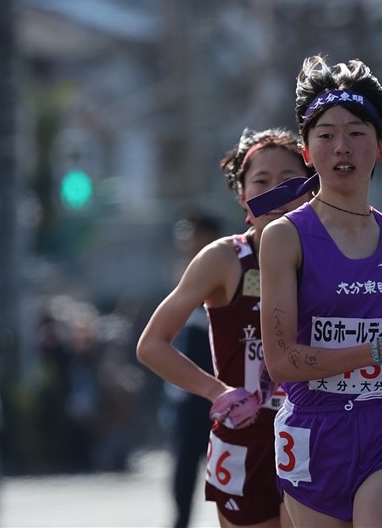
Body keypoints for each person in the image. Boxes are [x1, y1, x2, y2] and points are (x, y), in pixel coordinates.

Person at [250, 55, 382, 528]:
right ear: (307, 151)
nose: (341, 146)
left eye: (357, 133)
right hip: (313, 430)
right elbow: (281, 361)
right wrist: (378, 349)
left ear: (381, 147)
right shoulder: (285, 237)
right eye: (325, 135)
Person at [136, 128, 314, 528]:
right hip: (244, 437)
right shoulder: (224, 259)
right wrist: (217, 393)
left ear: (309, 189)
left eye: (289, 180)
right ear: (242, 195)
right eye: (262, 182)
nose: (276, 192)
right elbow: (151, 345)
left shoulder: (334, 256)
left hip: (315, 432)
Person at [164, 212, 221, 528]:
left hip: (222, 391)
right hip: (189, 392)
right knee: (184, 464)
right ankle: (181, 521)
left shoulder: (228, 271)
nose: (185, 239)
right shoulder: (188, 273)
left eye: (190, 232)